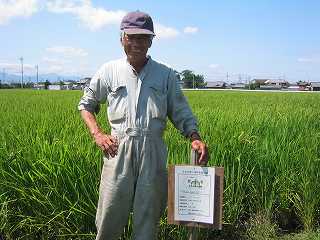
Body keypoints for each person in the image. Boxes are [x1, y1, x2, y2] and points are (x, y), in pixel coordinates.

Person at [78, 10, 208, 240]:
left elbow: (181, 112)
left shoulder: (166, 75)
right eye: (132, 37)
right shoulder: (109, 71)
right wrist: (97, 134)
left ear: (151, 41)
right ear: (122, 39)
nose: (137, 43)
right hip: (117, 150)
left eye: (143, 37)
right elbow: (85, 105)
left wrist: (194, 136)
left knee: (148, 220)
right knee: (109, 215)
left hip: (153, 151)